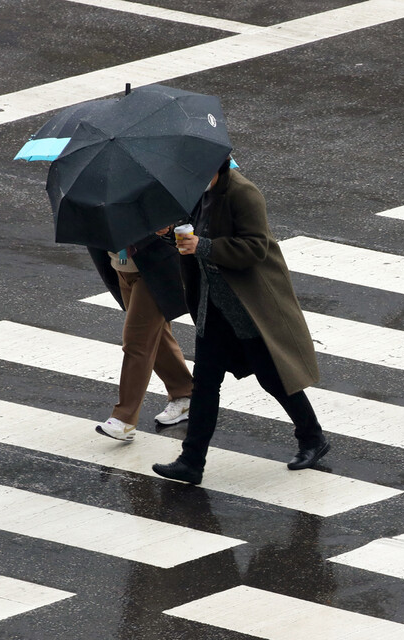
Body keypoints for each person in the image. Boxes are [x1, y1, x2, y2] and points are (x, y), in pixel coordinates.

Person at [152, 157, 329, 485]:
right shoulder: (199, 193)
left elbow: (255, 248)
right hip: (213, 306)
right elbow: (192, 236)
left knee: (273, 378)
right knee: (204, 384)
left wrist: (202, 246)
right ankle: (191, 461)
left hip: (247, 308)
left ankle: (312, 437)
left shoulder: (244, 194)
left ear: (216, 167)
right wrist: (170, 236)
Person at [90, 231, 194, 441]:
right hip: (122, 266)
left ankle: (124, 419)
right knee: (157, 337)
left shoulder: (147, 198)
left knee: (137, 342)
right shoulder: (98, 199)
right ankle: (185, 393)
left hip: (155, 269)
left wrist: (168, 227)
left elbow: (184, 217)